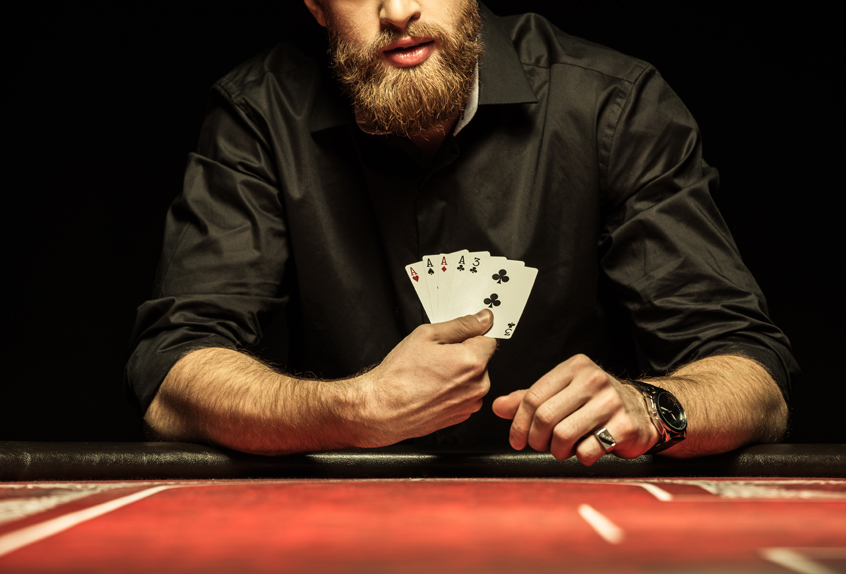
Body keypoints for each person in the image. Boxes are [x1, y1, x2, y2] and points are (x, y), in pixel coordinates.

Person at [126, 0, 798, 464]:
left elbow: (751, 377)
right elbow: (174, 374)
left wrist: (650, 406)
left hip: (571, 514)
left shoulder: (613, 105)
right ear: (314, 6)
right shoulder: (257, 113)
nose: (397, 11)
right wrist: (356, 407)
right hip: (343, 519)